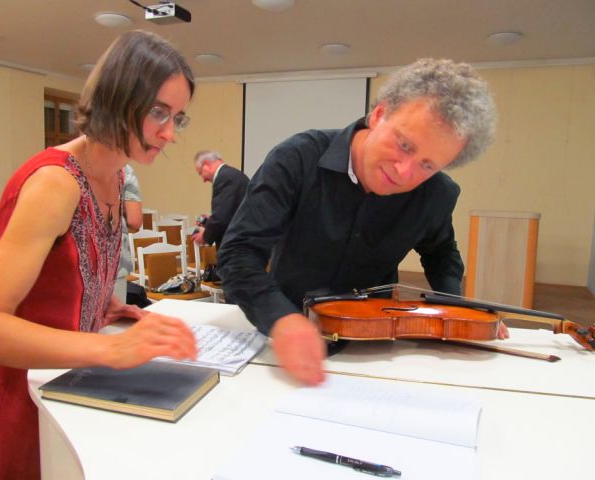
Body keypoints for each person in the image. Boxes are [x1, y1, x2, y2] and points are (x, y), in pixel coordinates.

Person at [0, 30, 198, 480]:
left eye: (177, 118)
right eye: (158, 112)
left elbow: (59, 279)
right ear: (119, 98)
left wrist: (103, 305)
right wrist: (113, 349)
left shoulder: (116, 175)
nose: (170, 133)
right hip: (18, 403)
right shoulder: (56, 183)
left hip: (62, 387)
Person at [217, 58, 506, 387]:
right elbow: (238, 254)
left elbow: (441, 254)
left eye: (427, 165)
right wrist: (282, 321)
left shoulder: (437, 194)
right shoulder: (296, 158)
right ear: (379, 114)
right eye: (404, 145)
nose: (404, 172)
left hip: (376, 345)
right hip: (283, 335)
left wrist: (456, 314)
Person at [192, 150, 249, 248]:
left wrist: (205, 237)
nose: (204, 180)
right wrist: (209, 221)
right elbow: (230, 213)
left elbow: (221, 218)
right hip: (243, 242)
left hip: (235, 245)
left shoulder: (224, 178)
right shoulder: (233, 174)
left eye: (200, 173)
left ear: (206, 165)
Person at [114, 164, 143, 302]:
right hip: (115, 262)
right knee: (113, 314)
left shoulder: (67, 165)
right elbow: (134, 220)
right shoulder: (123, 169)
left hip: (72, 264)